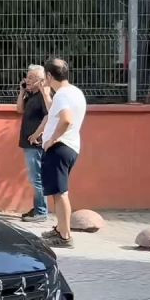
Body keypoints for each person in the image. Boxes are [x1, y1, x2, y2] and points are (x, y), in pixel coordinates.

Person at [30, 58, 87, 249]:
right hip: (70, 147)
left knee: (60, 193)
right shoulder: (74, 92)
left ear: (48, 75)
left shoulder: (63, 95)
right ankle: (60, 229)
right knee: (59, 191)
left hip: (59, 148)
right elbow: (55, 113)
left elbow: (66, 120)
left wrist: (52, 140)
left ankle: (64, 236)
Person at [16, 64, 52, 222]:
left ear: (41, 80)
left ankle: (41, 212)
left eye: (31, 78)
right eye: (27, 77)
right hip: (28, 141)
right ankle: (37, 207)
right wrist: (22, 90)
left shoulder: (44, 96)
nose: (27, 80)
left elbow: (48, 116)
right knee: (34, 177)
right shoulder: (31, 95)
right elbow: (19, 109)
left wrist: (37, 134)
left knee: (36, 178)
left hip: (35, 143)